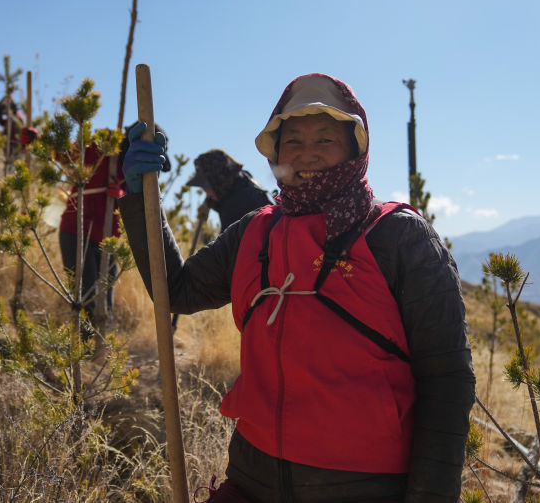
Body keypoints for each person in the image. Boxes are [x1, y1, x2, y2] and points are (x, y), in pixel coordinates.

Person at [120, 73, 474, 503]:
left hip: (362, 486)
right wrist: (143, 199)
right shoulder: (256, 231)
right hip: (251, 475)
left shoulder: (398, 236)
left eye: (325, 139)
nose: (308, 154)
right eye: (293, 141)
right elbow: (178, 290)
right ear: (276, 153)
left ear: (355, 149)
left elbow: (447, 378)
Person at [59, 121, 169, 325]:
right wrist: (36, 139)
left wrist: (124, 196)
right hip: (77, 231)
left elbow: (142, 205)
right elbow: (66, 156)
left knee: (105, 303)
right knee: (85, 298)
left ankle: (100, 353)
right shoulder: (103, 147)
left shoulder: (144, 170)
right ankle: (84, 351)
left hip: (108, 240)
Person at [187, 149, 272, 233]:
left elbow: (224, 246)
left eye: (207, 186)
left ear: (217, 180)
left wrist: (203, 233)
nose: (205, 191)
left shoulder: (238, 205)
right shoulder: (241, 182)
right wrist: (209, 203)